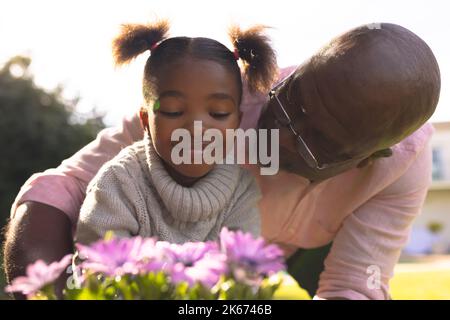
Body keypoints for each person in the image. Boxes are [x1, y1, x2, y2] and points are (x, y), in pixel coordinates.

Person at [4, 23, 440, 300]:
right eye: (290, 104)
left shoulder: (399, 164)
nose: (278, 137)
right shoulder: (215, 103)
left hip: (309, 245)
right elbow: (61, 187)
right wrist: (44, 290)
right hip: (194, 239)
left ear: (368, 157)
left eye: (316, 142)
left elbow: (353, 285)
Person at [75, 20, 278, 244]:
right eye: (173, 111)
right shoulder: (120, 182)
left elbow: (243, 269)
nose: (196, 128)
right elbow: (99, 266)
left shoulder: (242, 193)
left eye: (218, 113)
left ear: (237, 123)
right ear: (145, 120)